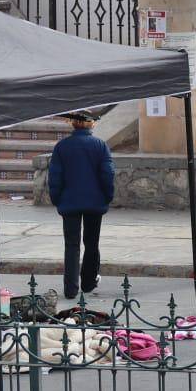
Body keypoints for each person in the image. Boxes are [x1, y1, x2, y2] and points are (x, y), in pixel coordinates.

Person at [47, 110, 115, 300]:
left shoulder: (62, 147)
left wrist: (56, 198)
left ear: (73, 124)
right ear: (91, 124)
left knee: (72, 245)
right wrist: (107, 196)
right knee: (92, 243)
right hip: (95, 202)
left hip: (69, 203)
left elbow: (55, 177)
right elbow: (107, 174)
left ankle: (70, 288)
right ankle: (88, 282)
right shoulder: (100, 146)